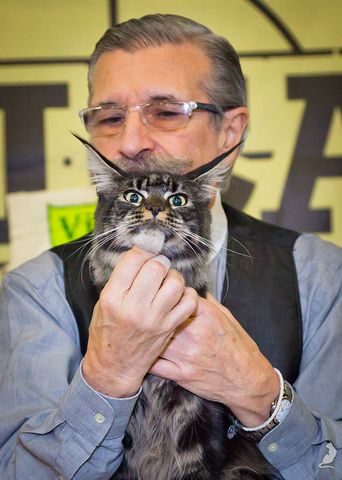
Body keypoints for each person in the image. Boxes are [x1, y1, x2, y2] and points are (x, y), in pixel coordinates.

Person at [0, 13, 341, 480]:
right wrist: (106, 375)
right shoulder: (34, 290)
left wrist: (259, 393)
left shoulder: (322, 277)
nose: (132, 141)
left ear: (231, 131)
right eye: (110, 116)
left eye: (165, 112)